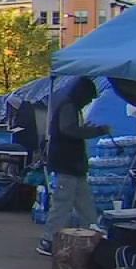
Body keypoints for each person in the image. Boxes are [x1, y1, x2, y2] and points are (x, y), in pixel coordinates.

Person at [38, 77, 111, 256]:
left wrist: (85, 129)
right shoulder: (69, 106)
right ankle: (48, 240)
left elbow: (68, 129)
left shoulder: (68, 105)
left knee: (83, 201)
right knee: (63, 203)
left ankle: (92, 234)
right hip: (68, 162)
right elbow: (68, 130)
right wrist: (94, 131)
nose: (90, 101)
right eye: (90, 97)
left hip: (71, 163)